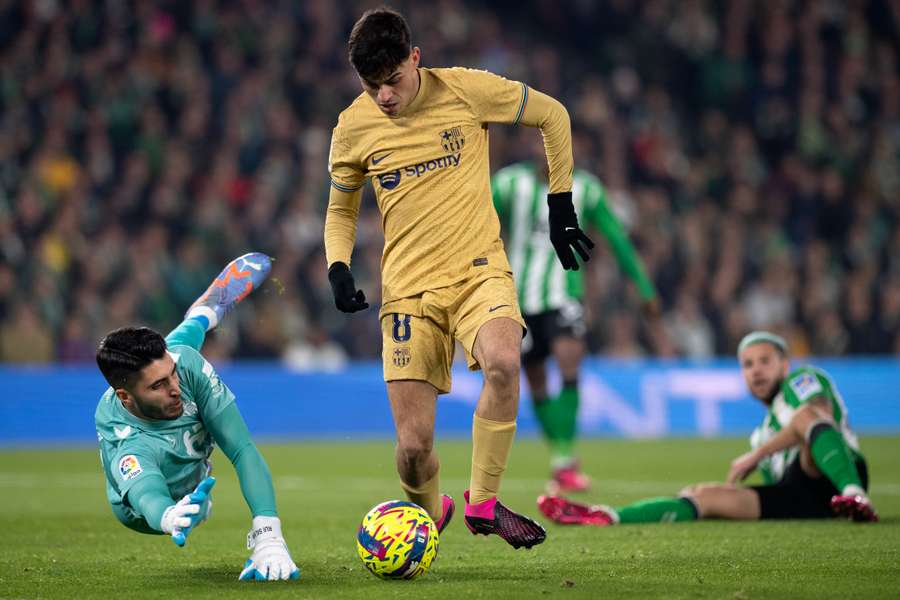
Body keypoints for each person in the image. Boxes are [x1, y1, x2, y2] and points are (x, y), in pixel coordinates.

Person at [324, 7, 593, 549]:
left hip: (479, 273)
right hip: (406, 292)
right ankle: (427, 519)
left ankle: (483, 503)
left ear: (415, 58)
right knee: (414, 447)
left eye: (393, 80)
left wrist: (560, 204)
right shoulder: (353, 126)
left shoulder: (467, 90)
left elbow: (554, 115)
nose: (385, 97)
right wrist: (337, 263)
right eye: (372, 85)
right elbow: (341, 209)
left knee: (502, 362)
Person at [95, 253, 302, 580]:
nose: (175, 389)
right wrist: (166, 516)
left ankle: (207, 309)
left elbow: (241, 448)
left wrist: (269, 536)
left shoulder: (183, 366)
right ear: (125, 397)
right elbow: (145, 491)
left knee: (186, 339)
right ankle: (204, 310)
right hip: (140, 510)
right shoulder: (126, 438)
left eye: (172, 374)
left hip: (189, 466)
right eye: (159, 386)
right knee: (170, 505)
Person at [537, 330, 878, 524]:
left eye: (765, 362)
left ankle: (854, 495)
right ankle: (607, 515)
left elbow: (817, 417)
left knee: (805, 419)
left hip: (833, 474)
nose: (756, 370)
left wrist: (754, 456)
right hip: (801, 500)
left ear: (784, 365)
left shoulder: (802, 381)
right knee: (705, 495)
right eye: (748, 365)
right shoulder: (763, 431)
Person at [492, 160, 659, 492]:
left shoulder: (587, 189)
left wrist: (644, 287)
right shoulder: (509, 184)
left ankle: (564, 457)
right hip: (519, 297)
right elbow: (476, 224)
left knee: (569, 364)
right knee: (535, 379)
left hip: (566, 292)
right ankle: (562, 457)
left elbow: (616, 238)